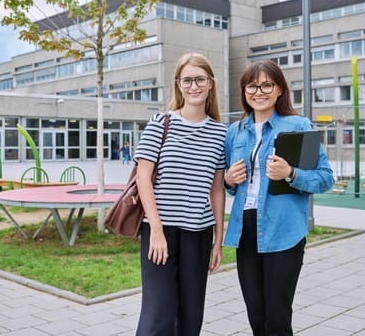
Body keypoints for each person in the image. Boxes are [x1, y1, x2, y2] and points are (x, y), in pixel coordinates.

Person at [223, 60, 334, 336]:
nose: (258, 91)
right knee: (256, 317)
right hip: (245, 229)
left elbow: (325, 178)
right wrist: (228, 180)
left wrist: (291, 173)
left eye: (267, 85)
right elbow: (230, 185)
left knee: (277, 319)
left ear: (280, 89)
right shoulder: (234, 132)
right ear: (244, 90)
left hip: (283, 230)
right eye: (252, 85)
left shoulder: (297, 125)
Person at [133, 53, 227, 336]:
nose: (194, 86)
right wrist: (158, 231)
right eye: (187, 80)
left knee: (191, 314)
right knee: (158, 314)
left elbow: (216, 189)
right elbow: (143, 178)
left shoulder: (221, 133)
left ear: (210, 84)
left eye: (200, 79)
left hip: (199, 234)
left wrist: (218, 240)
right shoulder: (161, 123)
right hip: (160, 232)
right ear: (178, 85)